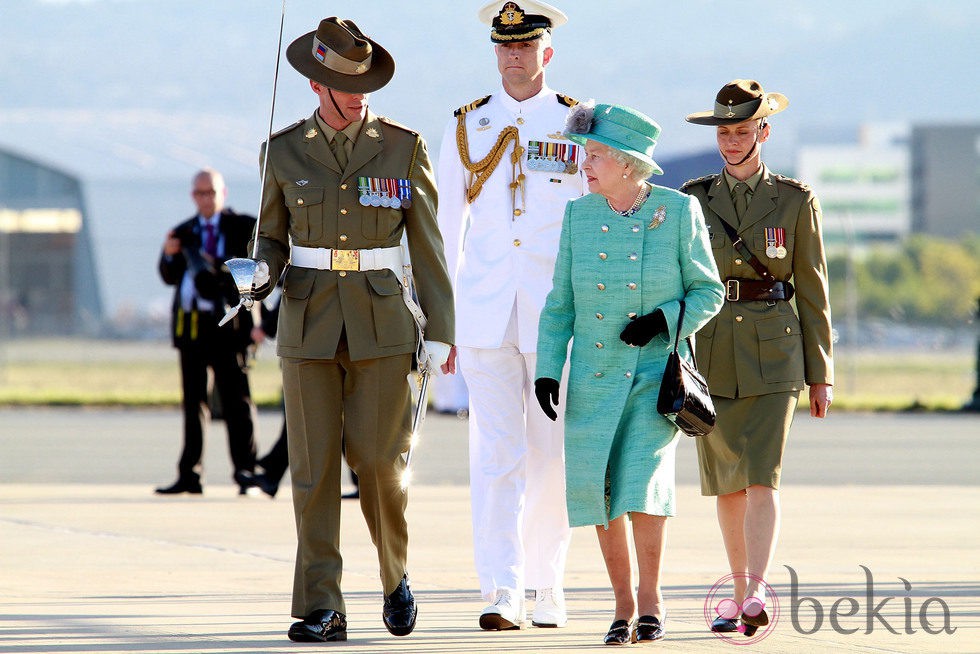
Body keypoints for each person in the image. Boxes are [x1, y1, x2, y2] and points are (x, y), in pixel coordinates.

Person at [249, 17, 455, 643]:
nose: (360, 94)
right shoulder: (281, 151)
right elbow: (272, 239)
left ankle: (396, 577)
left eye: (365, 83)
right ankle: (323, 606)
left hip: (383, 323)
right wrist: (258, 273)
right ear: (317, 84)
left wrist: (441, 329)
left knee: (378, 465)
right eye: (346, 83)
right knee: (311, 473)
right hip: (307, 324)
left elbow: (428, 244)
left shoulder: (401, 146)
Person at [535, 103, 724, 644]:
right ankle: (621, 604)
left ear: (627, 163)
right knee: (600, 489)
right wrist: (549, 370)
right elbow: (560, 306)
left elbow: (708, 291)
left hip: (652, 375)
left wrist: (662, 322)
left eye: (594, 156)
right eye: (585, 155)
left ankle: (651, 600)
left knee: (641, 486)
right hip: (594, 376)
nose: (584, 166)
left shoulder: (678, 212)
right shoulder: (578, 215)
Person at [436, 0, 586, 631]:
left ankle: (547, 586)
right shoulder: (468, 124)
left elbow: (590, 216)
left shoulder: (578, 121)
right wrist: (440, 319)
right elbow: (445, 225)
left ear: (546, 53)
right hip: (484, 314)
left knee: (551, 459)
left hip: (554, 315)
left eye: (525, 46)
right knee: (495, 456)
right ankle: (501, 589)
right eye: (505, 46)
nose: (514, 56)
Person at [681, 79, 834, 636]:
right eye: (723, 132)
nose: (730, 141)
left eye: (741, 130)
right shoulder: (693, 199)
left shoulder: (794, 200)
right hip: (713, 350)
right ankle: (739, 587)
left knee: (762, 476)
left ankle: (757, 594)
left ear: (763, 132)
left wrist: (822, 375)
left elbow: (814, 290)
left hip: (775, 352)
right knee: (726, 481)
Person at [156, 168, 258, 496]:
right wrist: (169, 255)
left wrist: (220, 272)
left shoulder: (242, 226)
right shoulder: (184, 231)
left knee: (236, 401)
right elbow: (169, 276)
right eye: (200, 193)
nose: (206, 199)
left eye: (211, 192)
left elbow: (256, 269)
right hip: (193, 328)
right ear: (192, 196)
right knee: (193, 402)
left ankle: (246, 471)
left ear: (222, 193)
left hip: (229, 324)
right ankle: (190, 474)